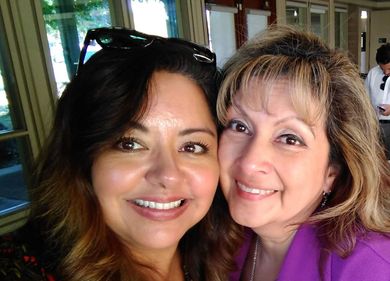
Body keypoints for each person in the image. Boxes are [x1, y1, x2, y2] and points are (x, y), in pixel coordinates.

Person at [0, 27, 242, 281]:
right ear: (83, 155)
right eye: (130, 144)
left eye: (191, 147)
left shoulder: (232, 254)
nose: (167, 175)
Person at [217, 25, 390, 281]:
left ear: (332, 171)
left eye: (289, 138)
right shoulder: (222, 239)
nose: (250, 162)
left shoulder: (369, 268)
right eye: (240, 126)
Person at [365, 43, 390, 158]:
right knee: (376, 159)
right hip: (374, 125)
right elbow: (365, 97)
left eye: (389, 68)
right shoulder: (373, 73)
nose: (385, 73)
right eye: (382, 68)